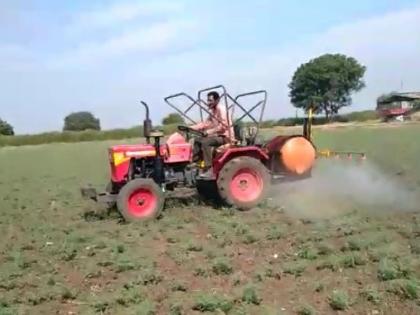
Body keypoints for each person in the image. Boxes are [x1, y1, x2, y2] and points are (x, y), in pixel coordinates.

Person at [191, 91, 234, 178]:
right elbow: (206, 123)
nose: (208, 103)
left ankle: (209, 169)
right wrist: (192, 128)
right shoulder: (213, 111)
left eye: (210, 100)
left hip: (225, 137)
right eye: (207, 100)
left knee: (205, 142)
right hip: (217, 136)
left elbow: (224, 126)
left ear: (217, 100)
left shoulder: (221, 109)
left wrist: (208, 132)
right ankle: (196, 163)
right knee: (197, 140)